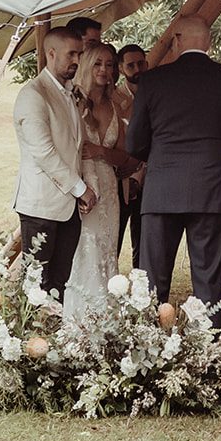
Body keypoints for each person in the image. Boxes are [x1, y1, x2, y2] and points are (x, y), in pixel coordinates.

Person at [128, 16, 221, 312]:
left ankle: (147, 347)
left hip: (162, 189)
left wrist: (161, 157)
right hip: (209, 187)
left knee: (151, 282)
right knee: (209, 281)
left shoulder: (153, 80)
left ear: (177, 40)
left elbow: (134, 143)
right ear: (209, 42)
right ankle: (211, 350)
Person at [12, 28, 94, 303]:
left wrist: (78, 191)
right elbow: (44, 152)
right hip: (40, 205)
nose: (76, 60)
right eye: (71, 53)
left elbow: (73, 147)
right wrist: (80, 188)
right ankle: (29, 343)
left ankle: (52, 340)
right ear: (51, 53)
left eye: (79, 54)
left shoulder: (69, 94)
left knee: (60, 283)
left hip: (68, 208)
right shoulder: (33, 95)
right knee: (35, 286)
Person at [64, 42, 133, 320]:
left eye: (109, 65)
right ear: (87, 65)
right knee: (85, 251)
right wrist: (80, 188)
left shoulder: (116, 104)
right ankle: (79, 320)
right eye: (98, 63)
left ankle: (107, 318)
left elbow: (128, 159)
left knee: (107, 251)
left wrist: (102, 151)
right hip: (83, 185)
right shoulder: (74, 101)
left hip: (110, 188)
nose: (104, 70)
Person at [114, 43, 148, 266]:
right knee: (113, 239)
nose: (137, 69)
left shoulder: (157, 93)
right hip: (118, 178)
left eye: (141, 63)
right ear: (120, 68)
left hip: (150, 178)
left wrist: (139, 173)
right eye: (131, 65)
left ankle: (142, 291)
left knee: (144, 242)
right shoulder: (113, 98)